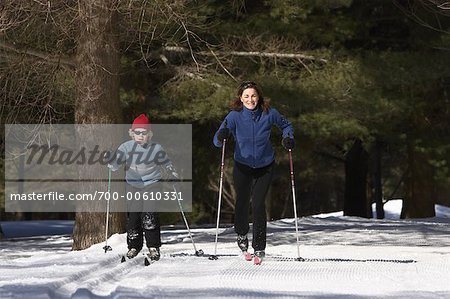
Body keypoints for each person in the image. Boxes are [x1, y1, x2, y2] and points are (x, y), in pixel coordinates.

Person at [213, 81, 294, 260]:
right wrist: (222, 136)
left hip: (265, 165)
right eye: (246, 96)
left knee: (258, 204)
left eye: (254, 95)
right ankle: (241, 234)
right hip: (242, 165)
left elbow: (287, 126)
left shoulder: (269, 113)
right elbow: (217, 140)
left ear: (259, 96)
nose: (251, 99)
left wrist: (288, 138)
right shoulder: (234, 116)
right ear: (240, 98)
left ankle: (259, 245)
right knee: (241, 202)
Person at [108, 114, 179, 260]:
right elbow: (115, 164)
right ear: (132, 134)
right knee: (133, 217)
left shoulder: (156, 148)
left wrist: (172, 173)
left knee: (149, 215)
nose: (140, 135)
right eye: (137, 132)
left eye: (144, 132)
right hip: (133, 185)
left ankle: (153, 246)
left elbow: (166, 163)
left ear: (150, 134)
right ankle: (134, 246)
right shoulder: (126, 147)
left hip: (152, 184)